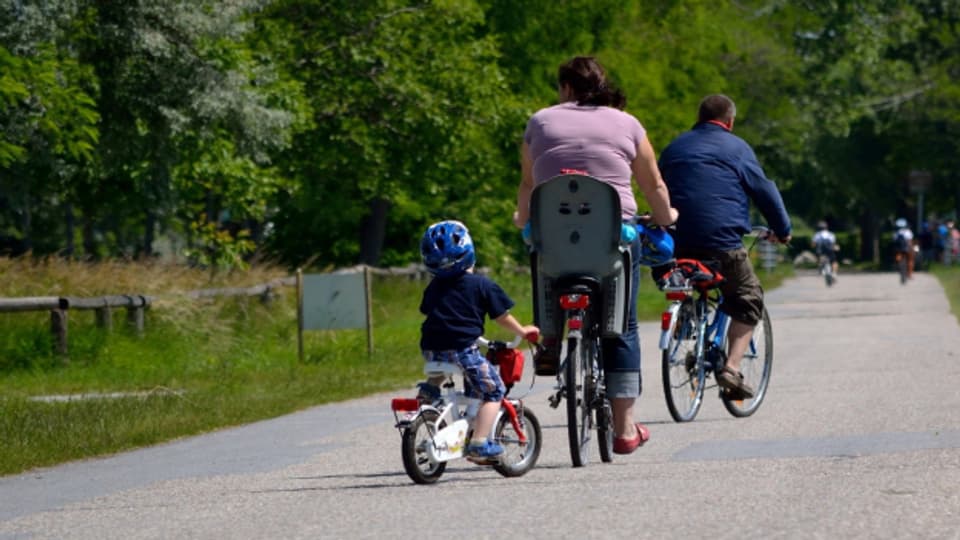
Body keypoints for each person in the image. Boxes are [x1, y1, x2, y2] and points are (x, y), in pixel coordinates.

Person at [512, 56, 678, 454]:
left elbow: (528, 181)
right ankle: (624, 429)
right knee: (624, 324)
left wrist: (522, 222)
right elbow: (652, 182)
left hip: (554, 240)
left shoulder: (540, 122)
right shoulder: (628, 124)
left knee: (543, 259)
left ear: (566, 87)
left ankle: (550, 338)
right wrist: (665, 216)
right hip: (610, 241)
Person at [658, 94, 792, 400]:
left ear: (699, 117)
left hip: (676, 243)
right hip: (722, 243)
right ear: (729, 122)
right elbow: (765, 191)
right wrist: (783, 230)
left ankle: (686, 322)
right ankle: (731, 369)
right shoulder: (737, 147)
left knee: (692, 278)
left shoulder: (674, 147)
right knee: (747, 297)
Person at [418, 220, 539, 462]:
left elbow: (427, 311)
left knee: (448, 360)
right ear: (470, 252)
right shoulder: (482, 284)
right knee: (494, 390)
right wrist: (523, 331)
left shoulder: (434, 287)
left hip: (430, 349)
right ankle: (480, 443)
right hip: (462, 349)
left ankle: (430, 388)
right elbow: (501, 317)